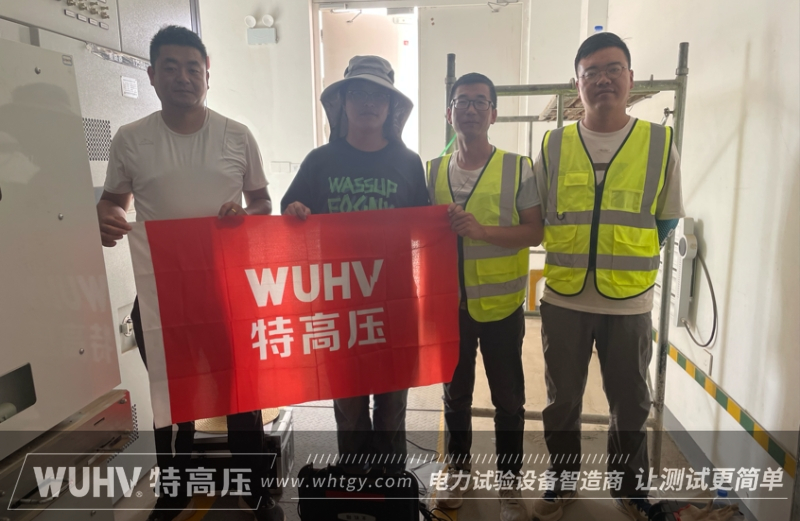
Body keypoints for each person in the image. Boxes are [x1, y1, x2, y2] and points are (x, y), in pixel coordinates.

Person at [96, 26, 283, 521]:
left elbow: (263, 203)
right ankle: (174, 491)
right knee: (170, 397)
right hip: (161, 296)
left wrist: (247, 215)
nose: (183, 77)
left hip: (227, 294)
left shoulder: (236, 135)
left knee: (241, 396)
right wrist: (105, 219)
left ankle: (255, 491)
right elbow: (112, 202)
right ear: (152, 75)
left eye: (192, 68)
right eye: (171, 67)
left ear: (207, 75)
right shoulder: (131, 139)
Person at [531, 32, 684, 521]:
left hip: (630, 302)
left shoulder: (658, 143)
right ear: (577, 84)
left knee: (631, 403)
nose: (603, 79)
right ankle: (563, 479)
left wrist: (627, 257)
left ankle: (629, 487)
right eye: (591, 72)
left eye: (613, 69)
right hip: (565, 299)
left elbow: (666, 218)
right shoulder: (554, 145)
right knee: (561, 402)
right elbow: (539, 213)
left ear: (630, 78)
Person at [281, 56, 428, 472]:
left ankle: (390, 487)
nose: (368, 103)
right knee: (349, 407)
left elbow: (424, 230)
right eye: (358, 93)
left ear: (391, 105)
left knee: (392, 406)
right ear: (342, 102)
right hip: (339, 306)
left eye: (378, 95)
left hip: (394, 304)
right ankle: (354, 485)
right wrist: (293, 212)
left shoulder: (408, 162)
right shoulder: (319, 162)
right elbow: (288, 216)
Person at [427, 73, 543, 521]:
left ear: (493, 113)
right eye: (462, 102)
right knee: (454, 394)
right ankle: (458, 470)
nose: (471, 109)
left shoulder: (518, 168)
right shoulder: (432, 171)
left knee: (508, 399)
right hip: (449, 307)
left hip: (501, 308)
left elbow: (534, 232)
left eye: (480, 102)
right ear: (449, 112)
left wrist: (482, 231)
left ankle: (509, 484)